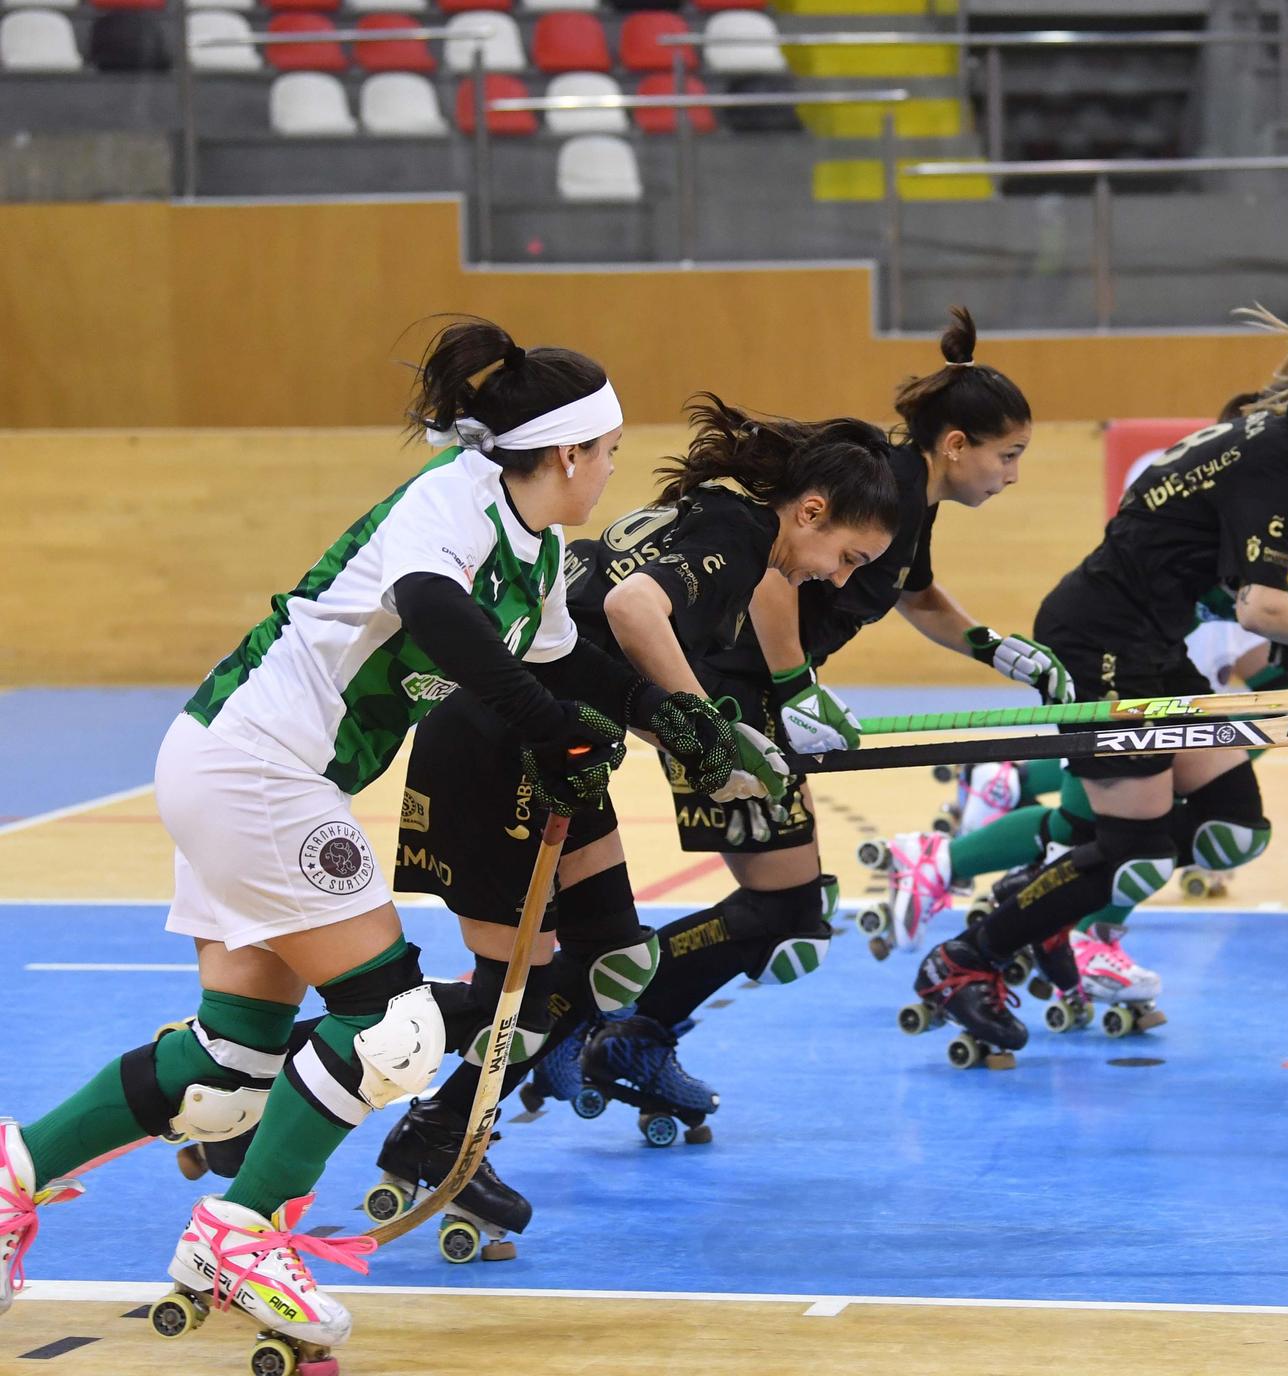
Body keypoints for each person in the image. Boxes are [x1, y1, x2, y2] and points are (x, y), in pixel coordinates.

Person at [0, 317, 736, 1360]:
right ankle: (242, 1239)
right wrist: (547, 730)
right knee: (393, 1027)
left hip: (233, 764)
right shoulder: (453, 500)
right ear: (567, 452)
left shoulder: (535, 554)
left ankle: (10, 1176)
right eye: (609, 449)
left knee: (225, 1072)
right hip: (260, 768)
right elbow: (434, 610)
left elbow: (570, 669)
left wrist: (676, 721)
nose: (614, 467)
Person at [354, 394, 900, 1248]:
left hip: (559, 752)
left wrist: (708, 744)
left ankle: (438, 1123)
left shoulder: (719, 520)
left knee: (612, 961)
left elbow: (611, 664)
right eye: (845, 556)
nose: (838, 579)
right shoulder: (738, 532)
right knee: (517, 989)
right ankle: (325, 1069)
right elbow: (631, 611)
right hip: (504, 744)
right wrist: (708, 730)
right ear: (811, 510)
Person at [906, 307, 1288, 1062]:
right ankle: (968, 957)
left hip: (1151, 644)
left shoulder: (1275, 443)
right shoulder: (1280, 464)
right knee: (1135, 850)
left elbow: (1276, 609)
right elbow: (1262, 609)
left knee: (1232, 822)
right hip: (1099, 644)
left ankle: (1051, 894)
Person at [617, 307, 1060, 1079]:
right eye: (1009, 455)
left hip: (754, 695)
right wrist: (795, 685)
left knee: (791, 917)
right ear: (956, 446)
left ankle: (627, 1025)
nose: (1012, 474)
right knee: (785, 918)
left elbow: (915, 596)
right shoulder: (884, 483)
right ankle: (604, 1014)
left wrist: (996, 647)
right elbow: (769, 573)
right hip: (726, 695)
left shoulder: (910, 502)